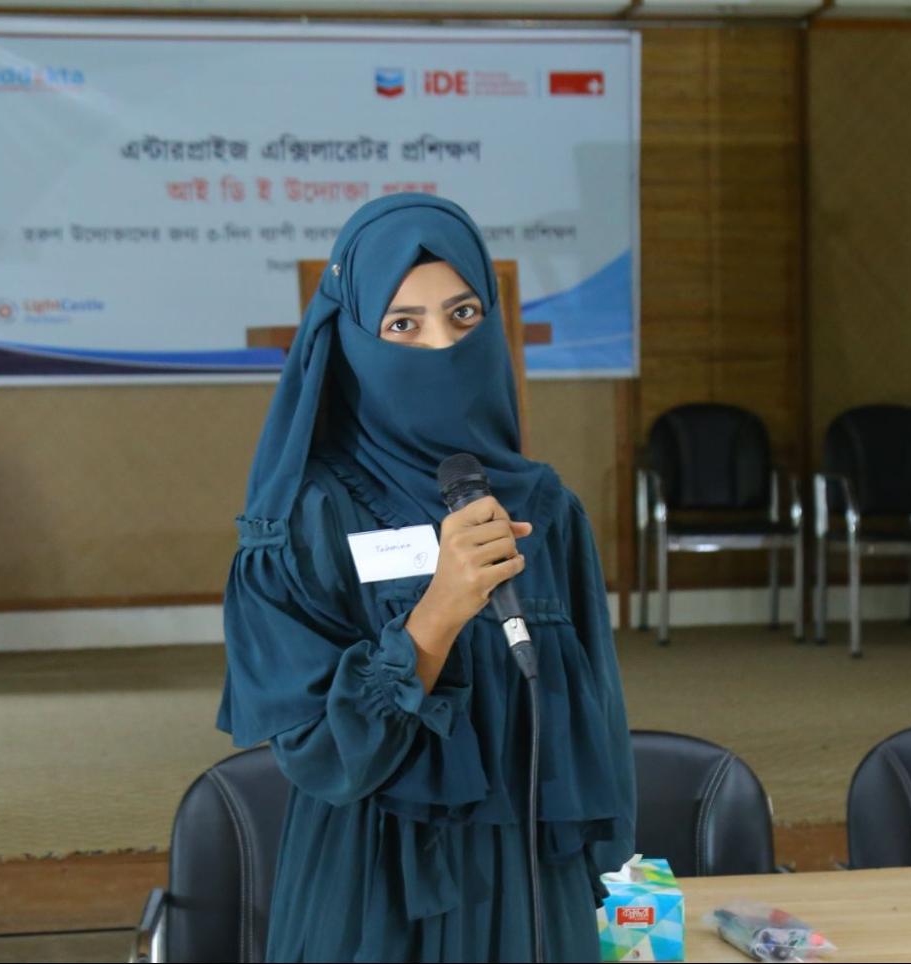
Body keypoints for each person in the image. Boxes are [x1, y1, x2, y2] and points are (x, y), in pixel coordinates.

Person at [218, 193, 636, 962]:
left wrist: (609, 889)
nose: (440, 346)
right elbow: (319, 753)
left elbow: (596, 726)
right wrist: (438, 612)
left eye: (464, 316)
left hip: (530, 891)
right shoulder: (303, 520)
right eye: (402, 325)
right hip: (374, 890)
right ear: (349, 341)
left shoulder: (544, 508)